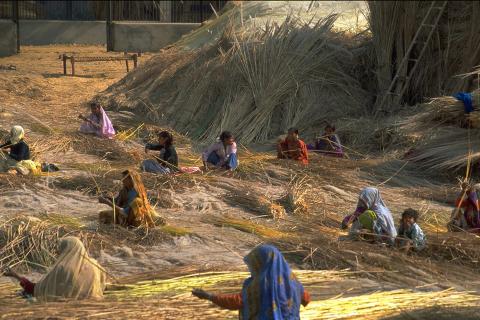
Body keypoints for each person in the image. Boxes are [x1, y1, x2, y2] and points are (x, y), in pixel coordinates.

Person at [192, 244, 310, 319]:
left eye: (254, 265)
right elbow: (306, 300)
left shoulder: (260, 285)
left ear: (261, 264)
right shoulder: (294, 282)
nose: (252, 269)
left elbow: (236, 301)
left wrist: (209, 296)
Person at [3, 236, 106, 302]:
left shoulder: (62, 269)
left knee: (24, 295)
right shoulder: (95, 266)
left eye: (61, 249)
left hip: (66, 308)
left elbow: (36, 290)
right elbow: (102, 284)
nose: (58, 253)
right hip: (93, 304)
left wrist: (16, 275)